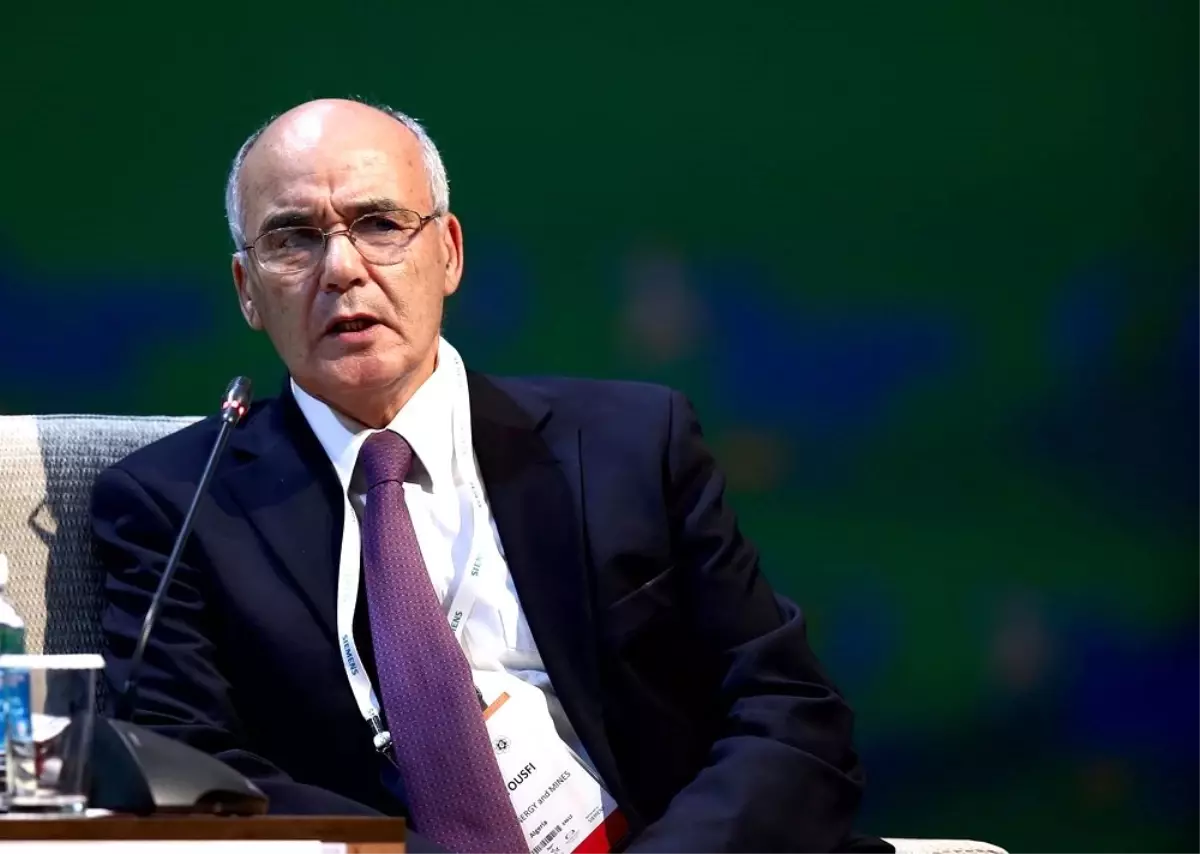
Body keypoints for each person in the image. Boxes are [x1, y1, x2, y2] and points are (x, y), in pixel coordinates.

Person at [94, 97, 890, 854]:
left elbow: (790, 710)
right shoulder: (175, 505)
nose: (340, 268)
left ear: (448, 253)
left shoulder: (631, 443)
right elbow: (189, 770)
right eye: (293, 239)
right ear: (248, 291)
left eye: (380, 224)